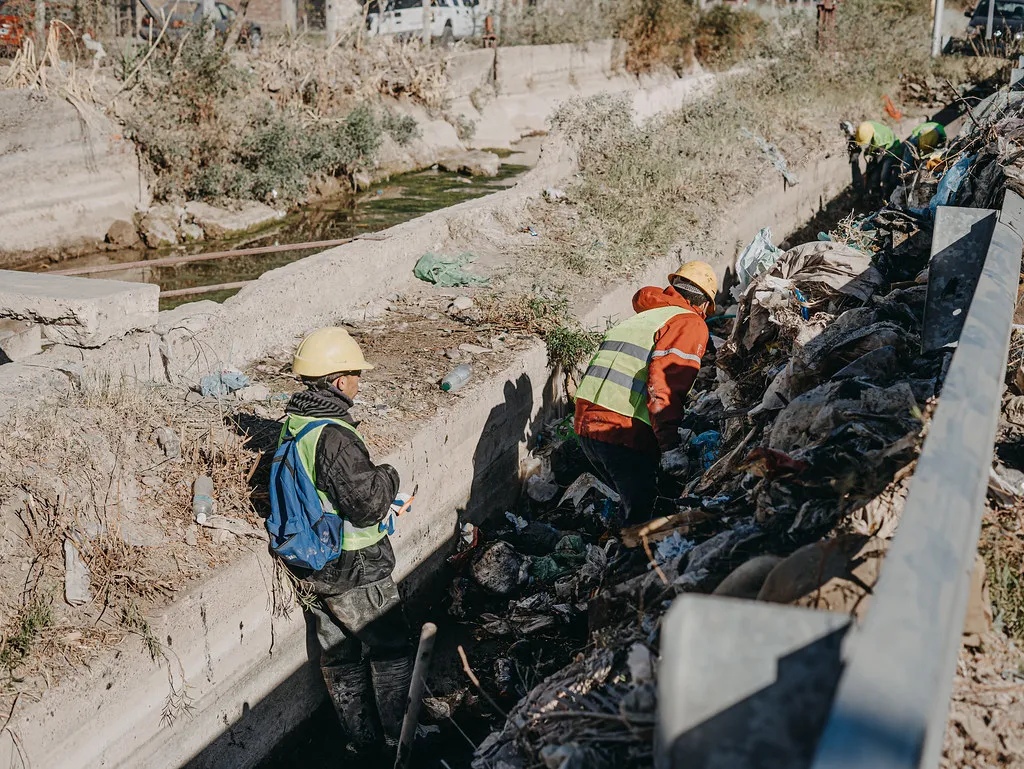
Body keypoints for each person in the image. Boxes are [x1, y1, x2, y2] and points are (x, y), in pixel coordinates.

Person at [280, 327, 412, 756]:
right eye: (355, 374)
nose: (359, 381)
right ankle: (399, 738)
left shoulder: (296, 423)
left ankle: (361, 741)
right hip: (354, 563)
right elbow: (368, 505)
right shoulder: (334, 436)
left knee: (339, 652)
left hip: (313, 562)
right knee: (390, 644)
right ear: (339, 382)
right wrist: (390, 475)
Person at [573, 261, 716, 525]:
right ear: (705, 304)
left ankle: (618, 551)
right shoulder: (690, 322)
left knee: (634, 506)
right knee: (645, 520)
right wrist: (670, 445)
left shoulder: (645, 317)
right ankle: (630, 563)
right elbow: (664, 385)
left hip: (586, 426)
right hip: (622, 431)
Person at [854, 120, 902, 200]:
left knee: (884, 175)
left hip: (892, 151)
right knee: (875, 174)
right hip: (882, 149)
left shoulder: (879, 139)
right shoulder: (866, 127)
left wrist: (869, 171)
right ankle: (875, 190)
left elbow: (877, 160)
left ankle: (886, 195)